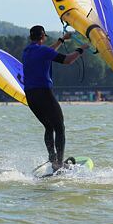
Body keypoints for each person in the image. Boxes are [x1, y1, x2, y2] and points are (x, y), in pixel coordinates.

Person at [22, 25, 89, 172]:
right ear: (43, 37)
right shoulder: (43, 51)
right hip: (44, 93)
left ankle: (53, 158)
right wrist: (81, 49)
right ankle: (59, 164)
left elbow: (48, 51)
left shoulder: (27, 51)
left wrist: (62, 40)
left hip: (30, 95)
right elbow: (68, 60)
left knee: (49, 126)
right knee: (59, 127)